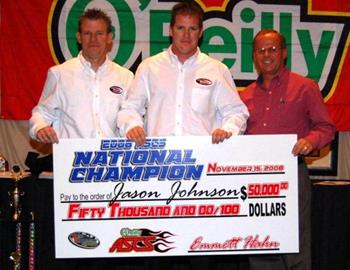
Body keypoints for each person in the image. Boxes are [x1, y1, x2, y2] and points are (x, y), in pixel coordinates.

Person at [240, 29, 336, 270]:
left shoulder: (305, 87)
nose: (267, 55)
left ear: (283, 53)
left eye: (272, 49)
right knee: (260, 246)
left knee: (296, 247)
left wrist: (310, 141)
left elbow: (326, 128)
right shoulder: (245, 95)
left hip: (292, 177)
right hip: (256, 180)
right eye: (260, 50)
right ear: (254, 56)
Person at [117, 2, 249, 145]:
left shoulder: (217, 69)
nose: (186, 35)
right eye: (180, 28)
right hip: (159, 157)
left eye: (192, 28)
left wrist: (227, 130)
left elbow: (236, 112)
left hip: (204, 157)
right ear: (170, 30)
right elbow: (130, 108)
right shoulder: (149, 67)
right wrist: (132, 126)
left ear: (200, 32)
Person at [29, 8, 133, 143]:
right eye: (87, 33)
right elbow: (40, 114)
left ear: (109, 37)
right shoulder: (59, 74)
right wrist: (40, 128)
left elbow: (130, 115)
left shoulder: (125, 76)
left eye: (99, 33)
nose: (93, 39)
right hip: (70, 160)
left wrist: (133, 126)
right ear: (79, 37)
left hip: (111, 159)